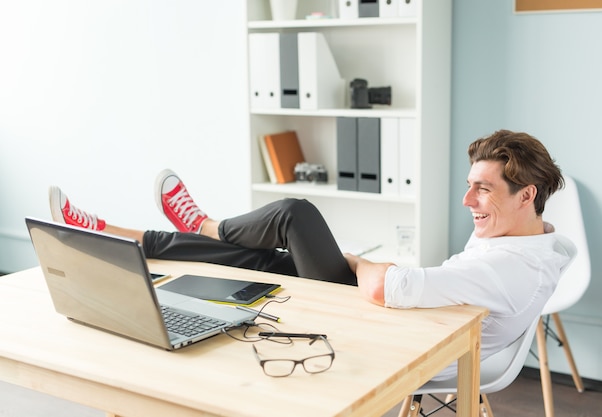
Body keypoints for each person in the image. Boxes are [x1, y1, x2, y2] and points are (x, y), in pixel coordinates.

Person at [48, 129, 575, 380]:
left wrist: (355, 261)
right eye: (470, 186)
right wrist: (377, 269)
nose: (467, 201)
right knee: (248, 259)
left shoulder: (507, 265)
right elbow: (430, 283)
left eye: (482, 189)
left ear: (525, 193)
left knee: (293, 214)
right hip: (413, 321)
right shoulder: (533, 237)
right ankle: (121, 238)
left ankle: (193, 223)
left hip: (390, 329)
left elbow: (383, 287)